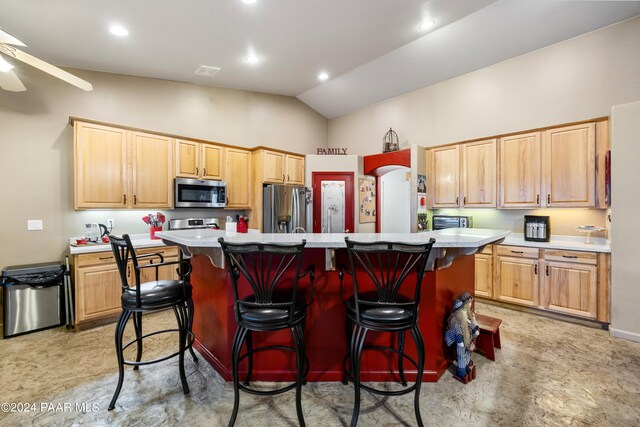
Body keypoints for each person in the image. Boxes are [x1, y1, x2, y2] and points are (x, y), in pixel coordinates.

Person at [445, 292, 480, 379]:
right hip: (460, 339)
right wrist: (460, 341)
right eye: (469, 303)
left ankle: (465, 365)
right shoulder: (458, 317)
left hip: (467, 338)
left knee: (468, 352)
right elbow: (458, 330)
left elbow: (472, 322)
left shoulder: (468, 313)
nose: (470, 304)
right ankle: (461, 370)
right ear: (464, 304)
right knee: (461, 354)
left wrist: (475, 328)